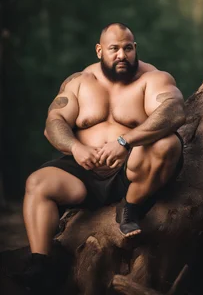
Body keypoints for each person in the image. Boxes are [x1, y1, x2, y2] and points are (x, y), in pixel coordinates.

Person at [20, 23, 186, 290]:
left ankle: (129, 207)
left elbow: (174, 111)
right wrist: (75, 147)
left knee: (167, 144)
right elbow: (54, 121)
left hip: (131, 172)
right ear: (99, 51)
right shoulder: (79, 82)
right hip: (83, 170)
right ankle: (40, 263)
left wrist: (124, 141)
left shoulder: (152, 78)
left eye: (128, 48)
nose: (122, 55)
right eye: (114, 49)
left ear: (135, 49)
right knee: (37, 183)